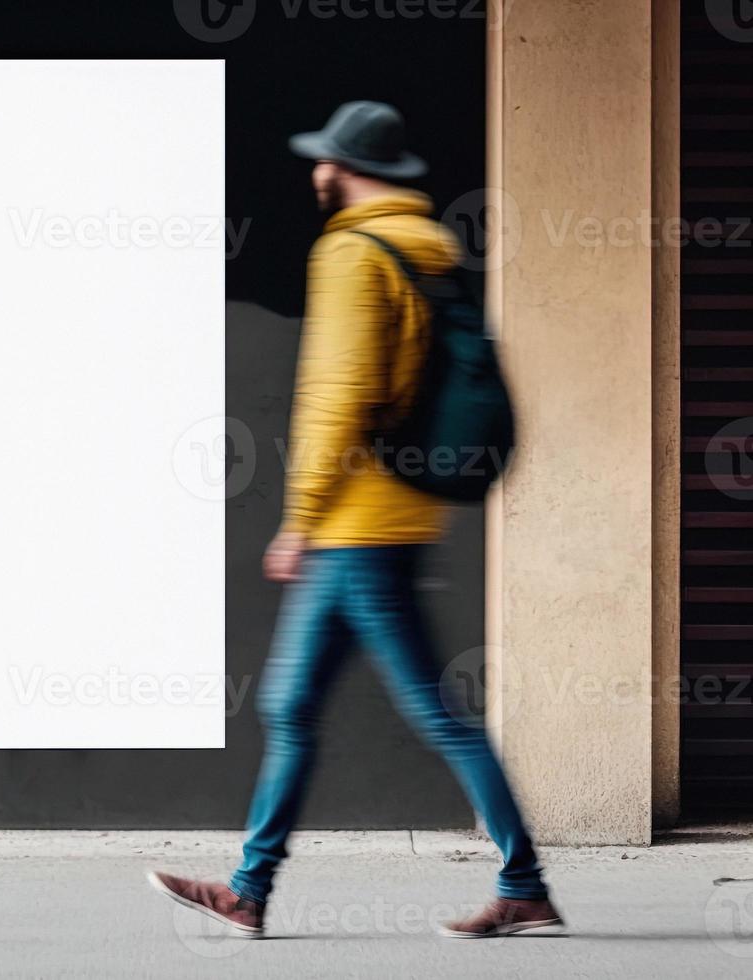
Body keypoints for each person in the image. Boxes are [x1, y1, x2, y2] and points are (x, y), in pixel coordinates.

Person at [147, 101, 562, 941]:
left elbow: (340, 393)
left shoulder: (350, 252)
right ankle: (249, 890)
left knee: (427, 714)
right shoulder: (431, 248)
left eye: (322, 160)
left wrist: (300, 518)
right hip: (395, 512)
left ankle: (520, 882)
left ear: (340, 167)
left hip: (354, 522)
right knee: (292, 703)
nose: (313, 172)